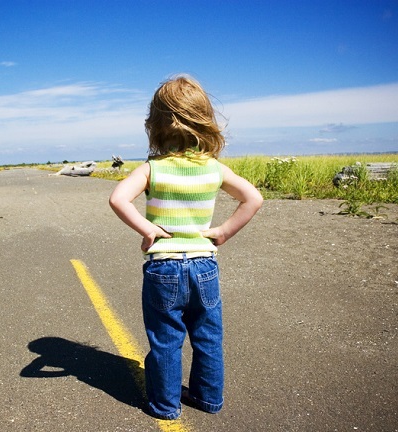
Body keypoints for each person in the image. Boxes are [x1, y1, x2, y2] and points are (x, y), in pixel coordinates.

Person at [109, 75, 263, 420]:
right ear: (204, 119)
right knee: (208, 336)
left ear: (155, 124)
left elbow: (118, 199)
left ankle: (165, 405)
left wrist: (149, 229)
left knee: (166, 338)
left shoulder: (153, 168)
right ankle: (208, 397)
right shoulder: (214, 168)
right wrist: (222, 232)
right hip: (204, 264)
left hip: (163, 265)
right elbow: (253, 198)